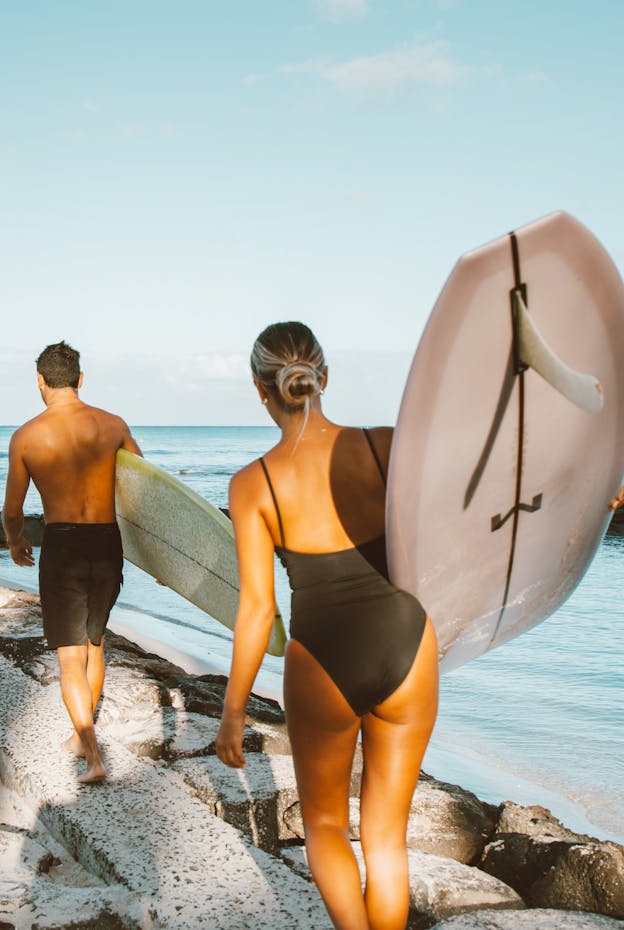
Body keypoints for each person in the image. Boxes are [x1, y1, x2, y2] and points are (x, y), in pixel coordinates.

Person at [216, 322, 439, 930]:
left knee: (325, 827)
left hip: (323, 662)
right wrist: (590, 490)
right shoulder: (384, 445)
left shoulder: (251, 485)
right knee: (387, 837)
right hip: (407, 644)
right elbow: (485, 494)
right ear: (323, 378)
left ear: (261, 391)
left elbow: (260, 610)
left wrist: (234, 710)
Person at [2, 341, 141, 784]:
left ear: (40, 381)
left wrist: (15, 541)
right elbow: (144, 491)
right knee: (95, 644)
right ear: (81, 379)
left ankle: (93, 755)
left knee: (68, 658)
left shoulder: (26, 436)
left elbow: (12, 510)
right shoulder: (114, 424)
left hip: (61, 545)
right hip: (106, 542)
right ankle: (84, 739)